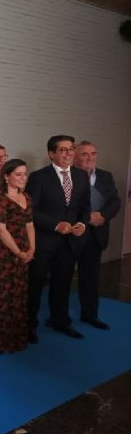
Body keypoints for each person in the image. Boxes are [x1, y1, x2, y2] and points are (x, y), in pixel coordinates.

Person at [26, 135, 90, 342]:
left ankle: (60, 321)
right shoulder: (38, 177)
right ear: (51, 153)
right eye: (63, 150)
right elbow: (31, 210)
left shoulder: (81, 176)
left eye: (71, 149)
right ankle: (29, 326)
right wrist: (55, 225)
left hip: (69, 243)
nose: (68, 153)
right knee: (35, 285)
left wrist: (82, 224)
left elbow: (85, 207)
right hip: (44, 242)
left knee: (62, 284)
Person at [0, 159, 35, 354]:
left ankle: (15, 339)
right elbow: (1, 230)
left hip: (24, 254)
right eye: (18, 174)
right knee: (4, 295)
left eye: (25, 174)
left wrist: (32, 249)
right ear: (6, 176)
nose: (23, 178)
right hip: (5, 254)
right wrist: (18, 252)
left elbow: (30, 225)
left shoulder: (26, 197)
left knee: (19, 295)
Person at [73, 140, 121, 330]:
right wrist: (87, 218)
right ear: (75, 156)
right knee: (62, 277)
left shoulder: (105, 176)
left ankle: (90, 315)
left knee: (90, 278)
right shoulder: (68, 176)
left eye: (93, 153)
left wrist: (102, 216)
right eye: (84, 154)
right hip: (72, 234)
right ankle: (58, 318)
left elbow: (115, 201)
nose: (90, 157)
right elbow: (61, 206)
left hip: (96, 235)